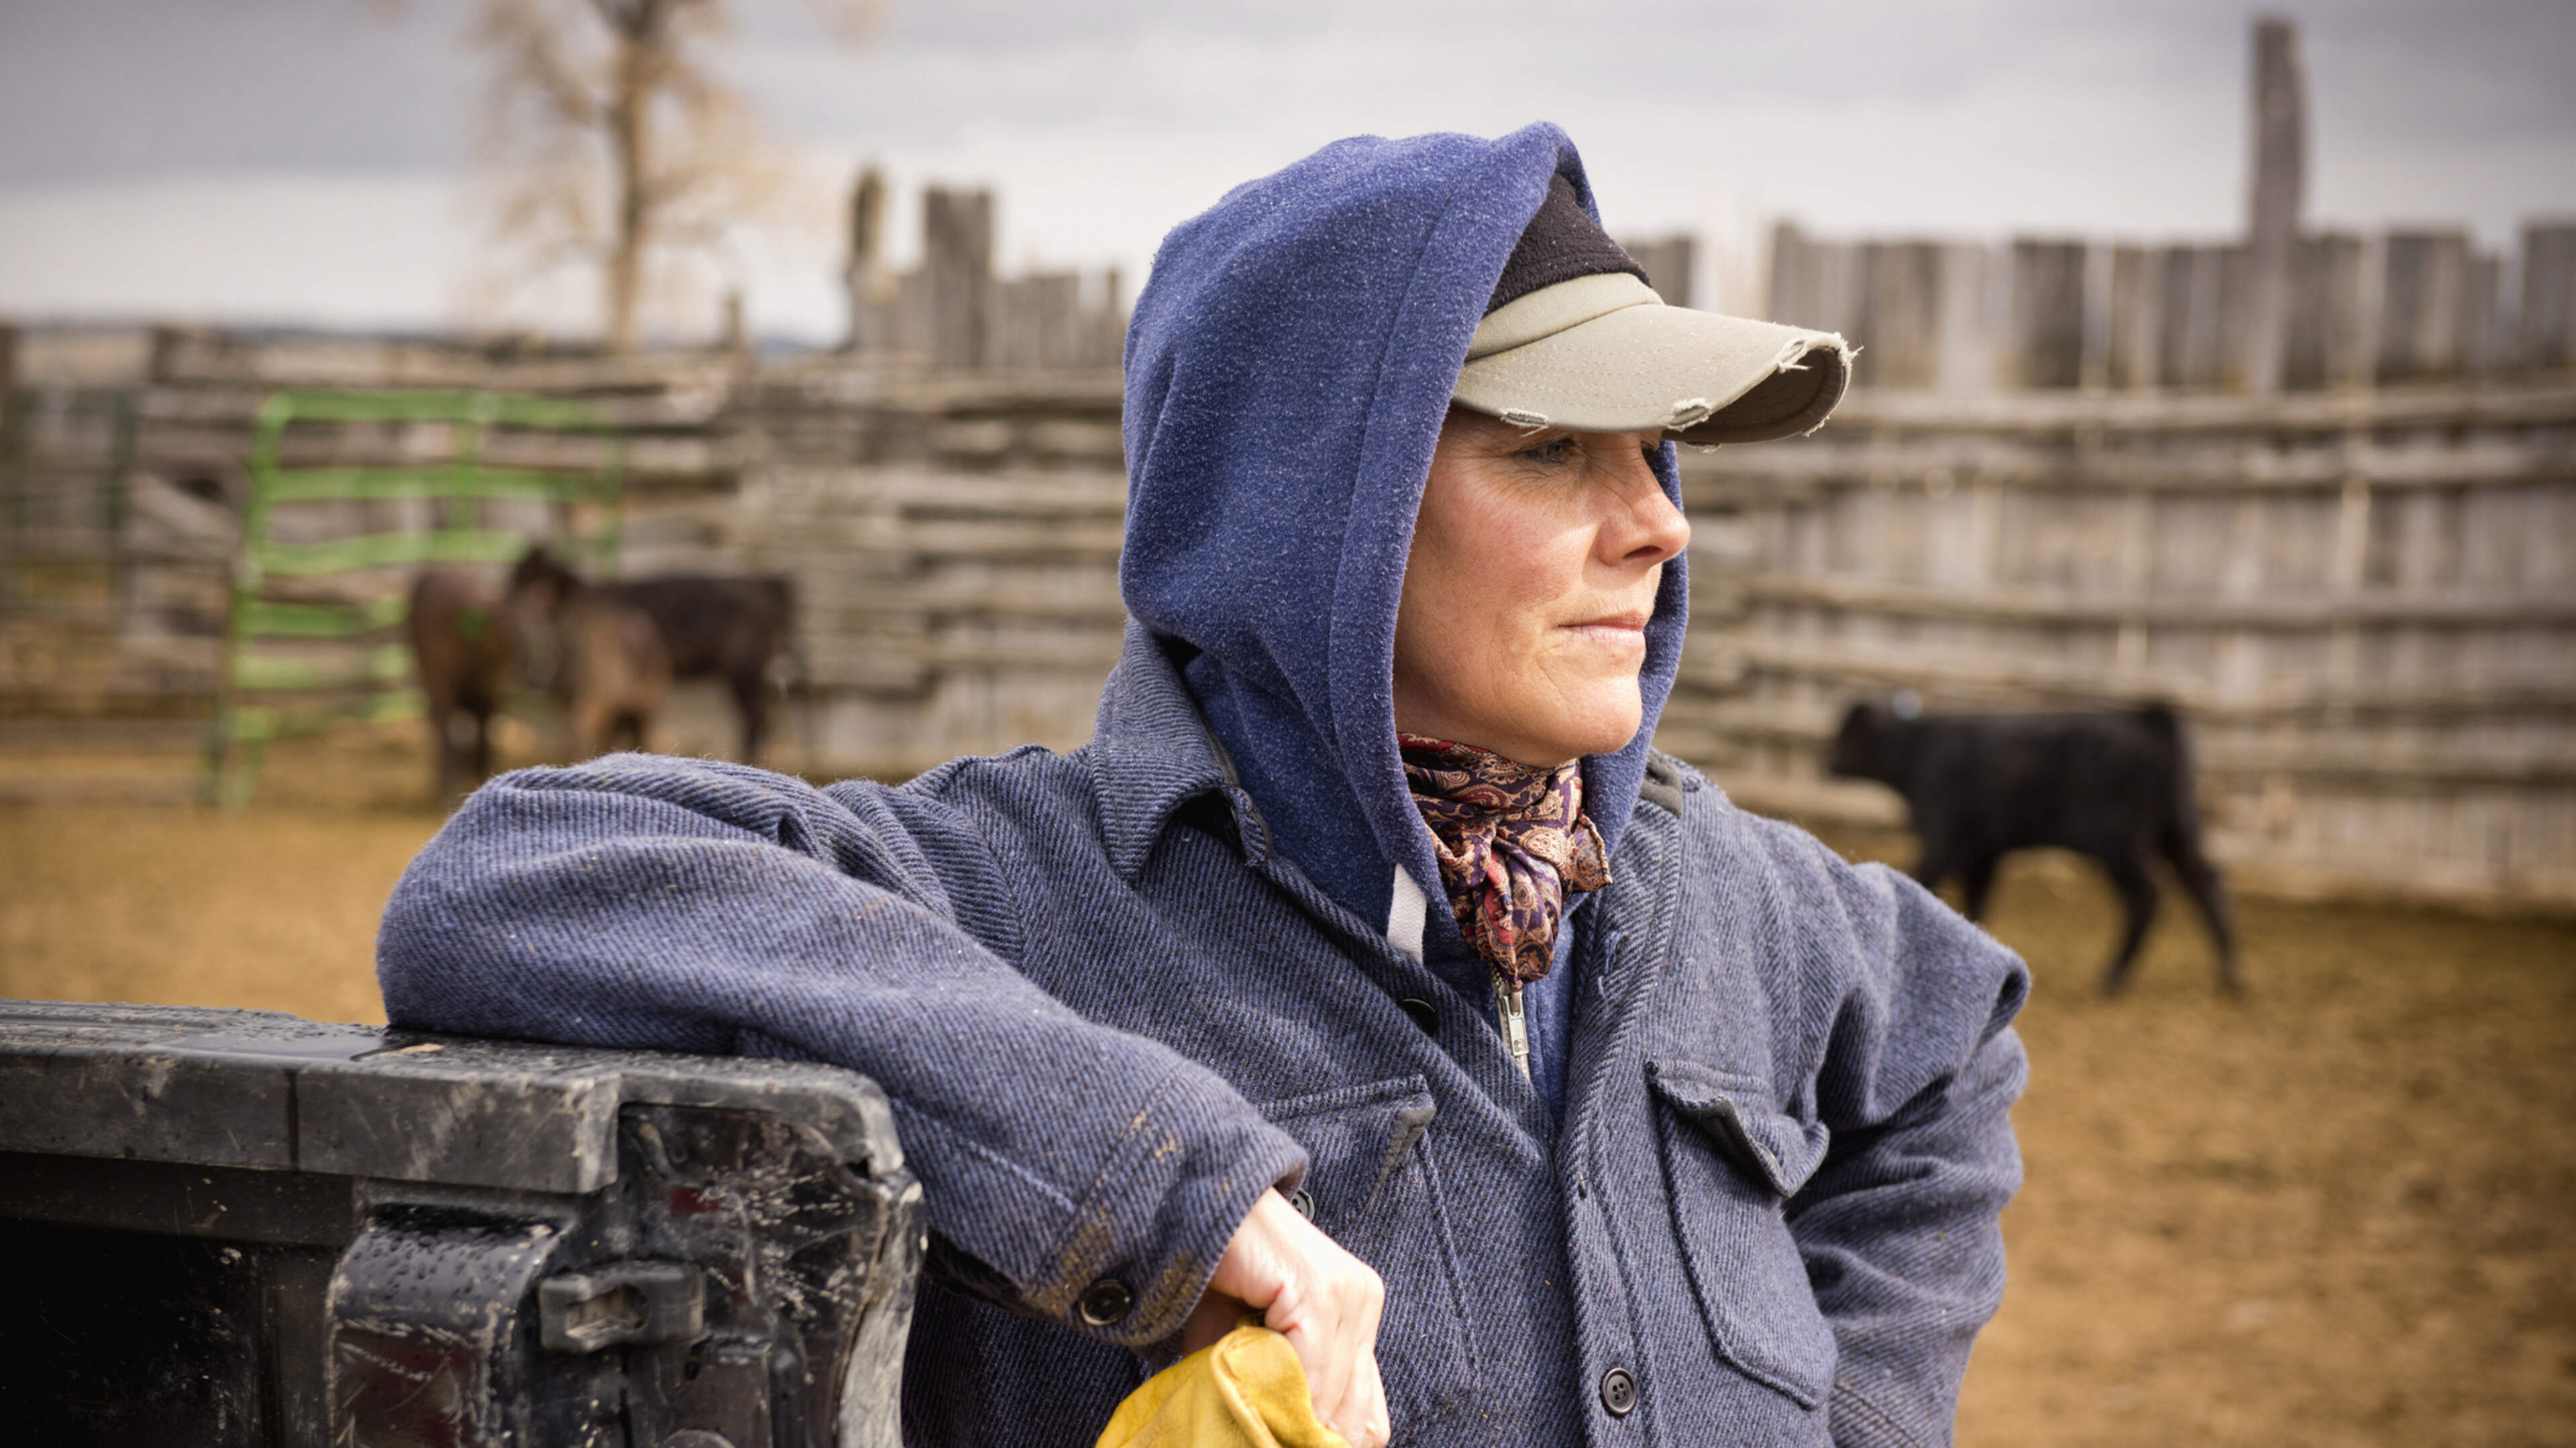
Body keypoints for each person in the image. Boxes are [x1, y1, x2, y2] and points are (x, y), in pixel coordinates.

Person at [379, 123, 2029, 1447]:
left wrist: (1859, 1410)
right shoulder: (1030, 891)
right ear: (1319, 506)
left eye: (1656, 451)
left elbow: (1955, 1037)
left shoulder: (1721, 892)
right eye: (1553, 449)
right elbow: (511, 872)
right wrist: (1162, 1183)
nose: (1662, 524)